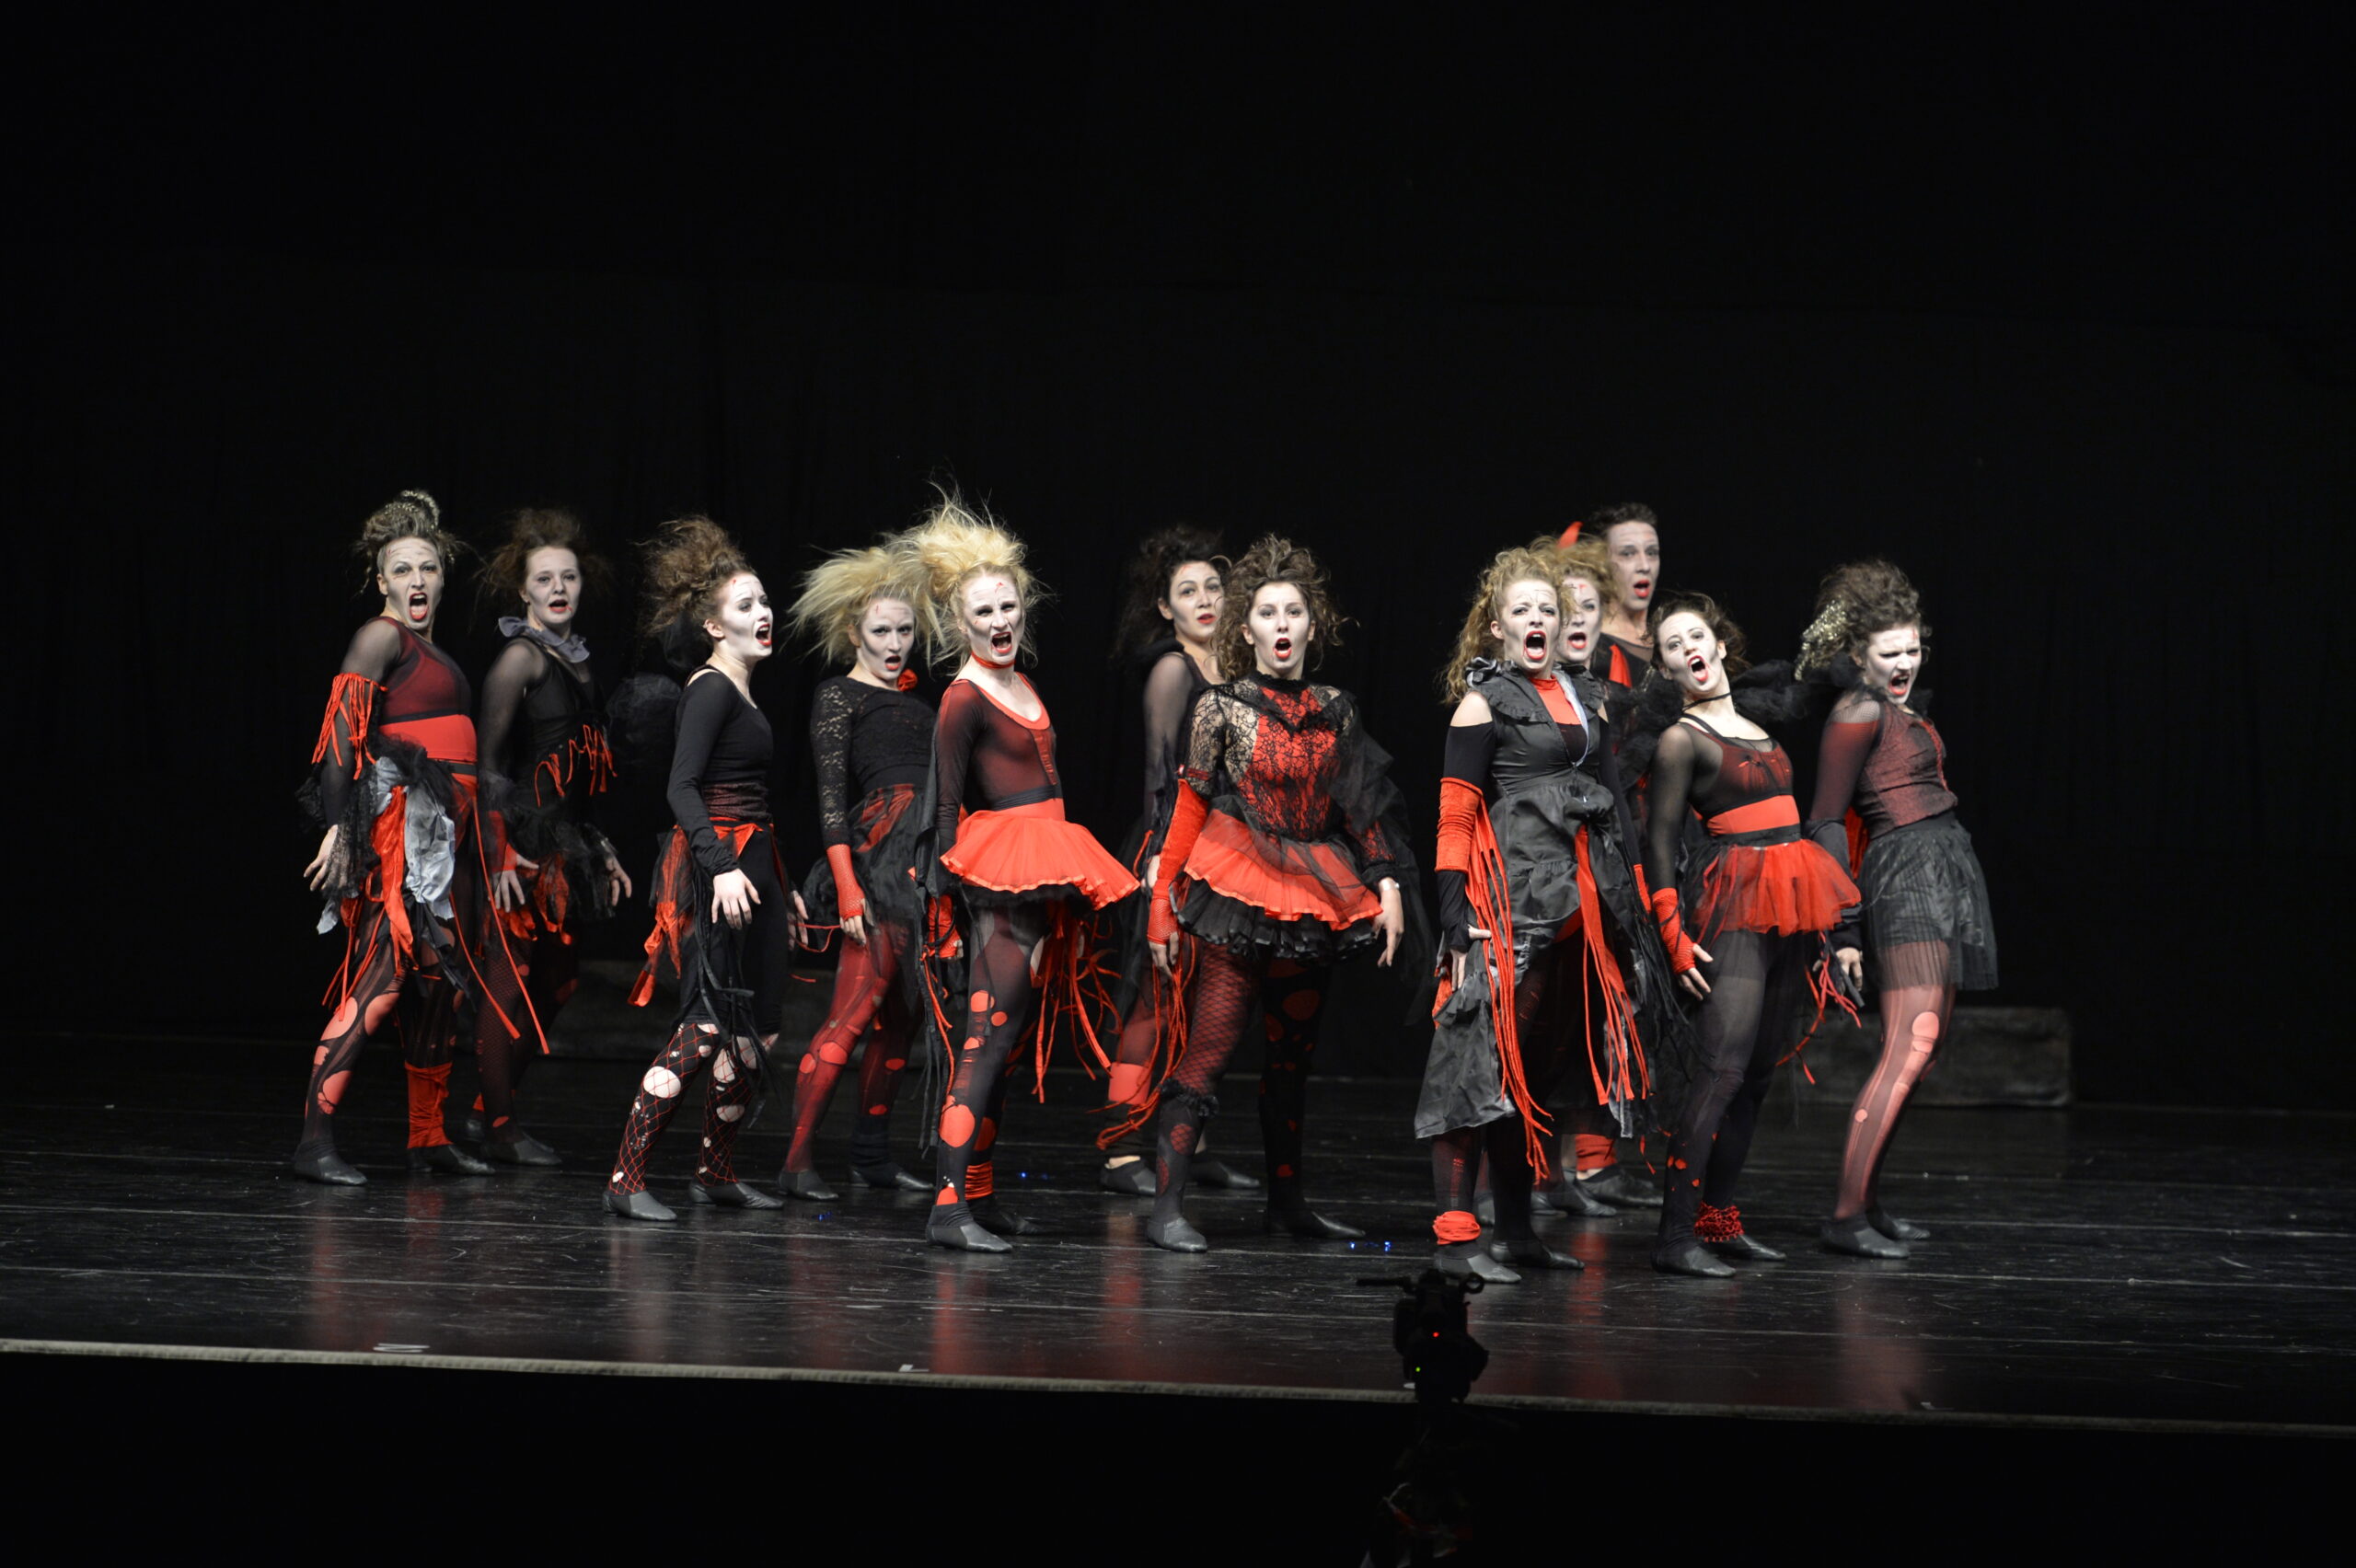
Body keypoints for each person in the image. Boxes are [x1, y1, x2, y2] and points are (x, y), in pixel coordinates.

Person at [1128, 535, 1414, 1252]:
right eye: (1267, 613)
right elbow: (1189, 806)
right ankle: (1166, 1209)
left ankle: (1287, 1204)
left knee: (1293, 1062)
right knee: (1210, 1050)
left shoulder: (1336, 708)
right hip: (1240, 888)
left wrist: (1386, 880)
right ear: (1247, 627)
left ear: (1313, 625)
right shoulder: (1220, 706)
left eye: (1293, 612)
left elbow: (1359, 807)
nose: (1281, 625)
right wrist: (1161, 905)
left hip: (1313, 895)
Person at [1419, 548, 1668, 1281]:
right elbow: (1455, 816)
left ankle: (1519, 1232)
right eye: (1521, 609)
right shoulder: (1484, 703)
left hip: (1585, 902)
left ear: (1563, 625)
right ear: (1496, 626)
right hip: (1516, 898)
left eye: (1547, 609)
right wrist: (1454, 914)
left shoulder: (1588, 696)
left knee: (1539, 1069)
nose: (1537, 619)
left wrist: (1637, 899)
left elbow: (1616, 804)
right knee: (1483, 1062)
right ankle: (1456, 1242)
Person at [906, 496, 1138, 1251]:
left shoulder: (1021, 683)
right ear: (961, 623)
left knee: (1005, 1044)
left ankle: (978, 1192)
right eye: (984, 612)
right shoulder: (962, 697)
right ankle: (947, 1208)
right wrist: (945, 899)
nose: (999, 620)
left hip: (1043, 867)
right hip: (1000, 874)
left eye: (1008, 606)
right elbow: (945, 804)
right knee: (984, 1039)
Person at [296, 490, 540, 1183]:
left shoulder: (431, 649)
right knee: (382, 981)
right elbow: (342, 735)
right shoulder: (383, 636)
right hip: (400, 843)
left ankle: (427, 1137)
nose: (417, 580)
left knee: (436, 989)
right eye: (402, 569)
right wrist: (341, 830)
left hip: (443, 844)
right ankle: (313, 1142)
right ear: (381, 581)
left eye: (428, 567)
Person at [1633, 594, 1859, 1277]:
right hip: (1733, 901)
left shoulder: (1757, 726)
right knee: (1721, 1072)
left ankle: (1718, 1220)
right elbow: (1659, 841)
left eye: (1696, 637)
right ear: (1666, 669)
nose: (1689, 650)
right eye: (1673, 646)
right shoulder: (1682, 739)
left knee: (1758, 1075)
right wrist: (1671, 934)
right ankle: (1674, 1237)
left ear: (1721, 645)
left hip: (1790, 898)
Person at [604, 517, 805, 1221]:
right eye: (746, 605)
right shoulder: (711, 687)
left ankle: (714, 1171)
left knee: (760, 1029)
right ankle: (625, 1179)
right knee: (707, 1025)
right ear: (715, 626)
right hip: (723, 869)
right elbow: (682, 787)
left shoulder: (743, 692)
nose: (763, 612)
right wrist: (719, 866)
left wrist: (778, 881)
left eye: (764, 600)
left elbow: (750, 798)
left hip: (755, 868)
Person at [1797, 561, 1998, 1258]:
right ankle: (1846, 1215)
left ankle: (1868, 1202)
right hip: (1905, 875)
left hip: (1939, 870)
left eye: (1914, 648)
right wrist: (1843, 928)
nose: (1906, 663)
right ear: (1858, 655)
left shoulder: (1897, 708)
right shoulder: (1857, 710)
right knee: (1907, 1047)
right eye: (1890, 652)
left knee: (1926, 1049)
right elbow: (1825, 820)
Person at [1095, 526, 1262, 1195]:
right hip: (1173, 846)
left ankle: (1189, 1144)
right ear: (1166, 607)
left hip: (1224, 849)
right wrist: (1162, 858)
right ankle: (1118, 1151)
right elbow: (1159, 772)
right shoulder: (1173, 669)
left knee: (1203, 1002)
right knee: (1152, 999)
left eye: (1213, 588)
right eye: (1188, 591)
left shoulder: (1237, 673)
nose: (1205, 600)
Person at [774, 543, 934, 1198]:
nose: (895, 644)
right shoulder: (839, 695)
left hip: (924, 867)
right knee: (851, 1017)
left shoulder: (924, 706)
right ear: (853, 633)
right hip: (876, 865)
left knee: (902, 1023)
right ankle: (796, 1163)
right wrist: (846, 887)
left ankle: (871, 1155)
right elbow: (830, 800)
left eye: (904, 631)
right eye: (881, 631)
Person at [471, 506, 631, 1164]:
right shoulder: (520, 658)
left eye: (568, 577)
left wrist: (601, 845)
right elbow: (486, 766)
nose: (558, 588)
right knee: (508, 984)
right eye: (544, 579)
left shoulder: (582, 664)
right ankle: (500, 1127)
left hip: (565, 846)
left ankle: (486, 1110)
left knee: (558, 984)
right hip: (520, 846)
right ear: (524, 591)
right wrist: (498, 850)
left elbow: (581, 769)